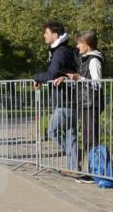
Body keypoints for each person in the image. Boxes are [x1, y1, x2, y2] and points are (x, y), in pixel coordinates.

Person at [34, 20, 80, 172]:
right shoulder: (62, 50)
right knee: (70, 134)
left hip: (65, 99)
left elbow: (52, 74)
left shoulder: (60, 52)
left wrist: (35, 77)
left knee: (52, 131)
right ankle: (74, 167)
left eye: (46, 33)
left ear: (55, 35)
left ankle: (75, 158)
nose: (44, 36)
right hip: (68, 98)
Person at [54, 30, 104, 162]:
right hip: (85, 102)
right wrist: (68, 79)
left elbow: (97, 84)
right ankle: (93, 169)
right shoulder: (86, 60)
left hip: (91, 103)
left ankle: (96, 170)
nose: (77, 46)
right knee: (88, 137)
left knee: (91, 137)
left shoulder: (94, 60)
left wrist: (79, 78)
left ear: (87, 44)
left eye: (79, 43)